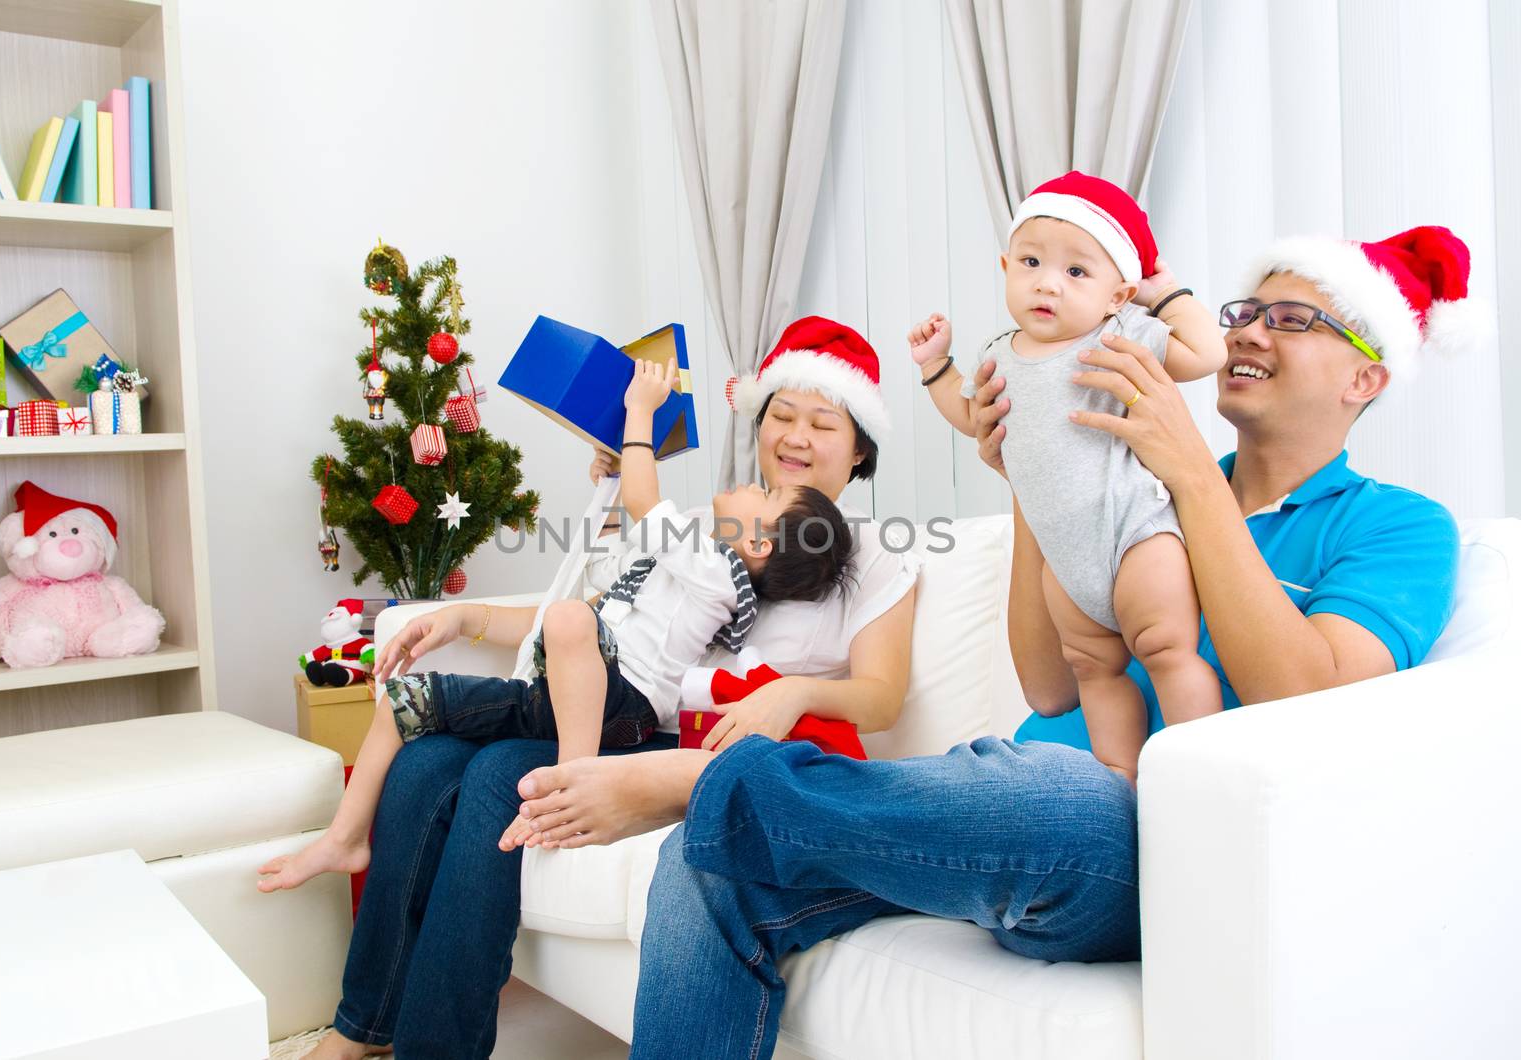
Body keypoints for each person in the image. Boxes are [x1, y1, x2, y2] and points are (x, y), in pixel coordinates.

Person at [505, 225, 1468, 1058]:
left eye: (1293, 319)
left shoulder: (1399, 527)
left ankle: (700, 778)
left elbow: (1311, 697)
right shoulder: (1135, 482)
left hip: (1132, 836)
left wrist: (1190, 474)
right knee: (713, 861)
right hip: (1005, 792)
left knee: (1058, 792)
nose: (1249, 330)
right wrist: (1033, 482)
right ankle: (732, 795)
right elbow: (1050, 688)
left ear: (1365, 377)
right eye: (1245, 310)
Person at [296, 315, 919, 1059]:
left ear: (860, 450)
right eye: (780, 414)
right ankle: (363, 1027)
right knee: (427, 759)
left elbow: (881, 697)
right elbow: (600, 616)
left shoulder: (873, 554)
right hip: (617, 693)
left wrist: (793, 694)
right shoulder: (706, 523)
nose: (794, 435)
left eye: (823, 422)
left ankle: (436, 1046)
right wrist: (465, 615)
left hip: (674, 737)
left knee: (498, 772)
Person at [257, 360, 855, 895]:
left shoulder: (716, 571)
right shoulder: (692, 550)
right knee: (404, 701)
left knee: (572, 620)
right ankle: (345, 836)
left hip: (627, 706)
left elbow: (647, 508)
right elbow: (624, 538)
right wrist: (616, 467)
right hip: (567, 690)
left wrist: (640, 416)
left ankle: (574, 779)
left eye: (768, 496)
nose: (754, 483)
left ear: (753, 541)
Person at [909, 171, 1228, 780]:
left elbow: (1207, 353)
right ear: (1006, 267)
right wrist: (936, 368)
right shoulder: (999, 354)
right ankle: (1120, 783)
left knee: (1168, 650)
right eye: (1030, 262)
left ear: (1116, 295)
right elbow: (971, 417)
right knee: (1092, 669)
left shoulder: (1121, 333)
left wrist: (1164, 294)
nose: (1047, 282)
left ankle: (1199, 776)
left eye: (1077, 272)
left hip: (1133, 530)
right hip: (1062, 554)